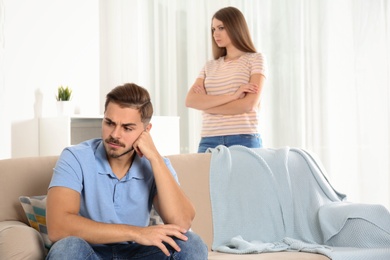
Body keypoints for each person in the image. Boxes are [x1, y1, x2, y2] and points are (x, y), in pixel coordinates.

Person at [46, 83, 208, 259]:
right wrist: (136, 233)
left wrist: (154, 157)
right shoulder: (75, 157)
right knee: (68, 247)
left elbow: (182, 222)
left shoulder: (156, 164)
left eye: (127, 128)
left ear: (146, 131)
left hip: (139, 253)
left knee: (191, 243)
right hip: (91, 252)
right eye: (109, 123)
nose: (115, 134)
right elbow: (58, 227)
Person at [185, 6, 267, 153]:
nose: (216, 33)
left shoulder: (255, 59)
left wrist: (206, 105)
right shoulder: (209, 66)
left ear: (236, 27)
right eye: (213, 29)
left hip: (243, 138)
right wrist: (233, 96)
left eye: (221, 27)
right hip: (209, 139)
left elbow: (248, 105)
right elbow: (190, 100)